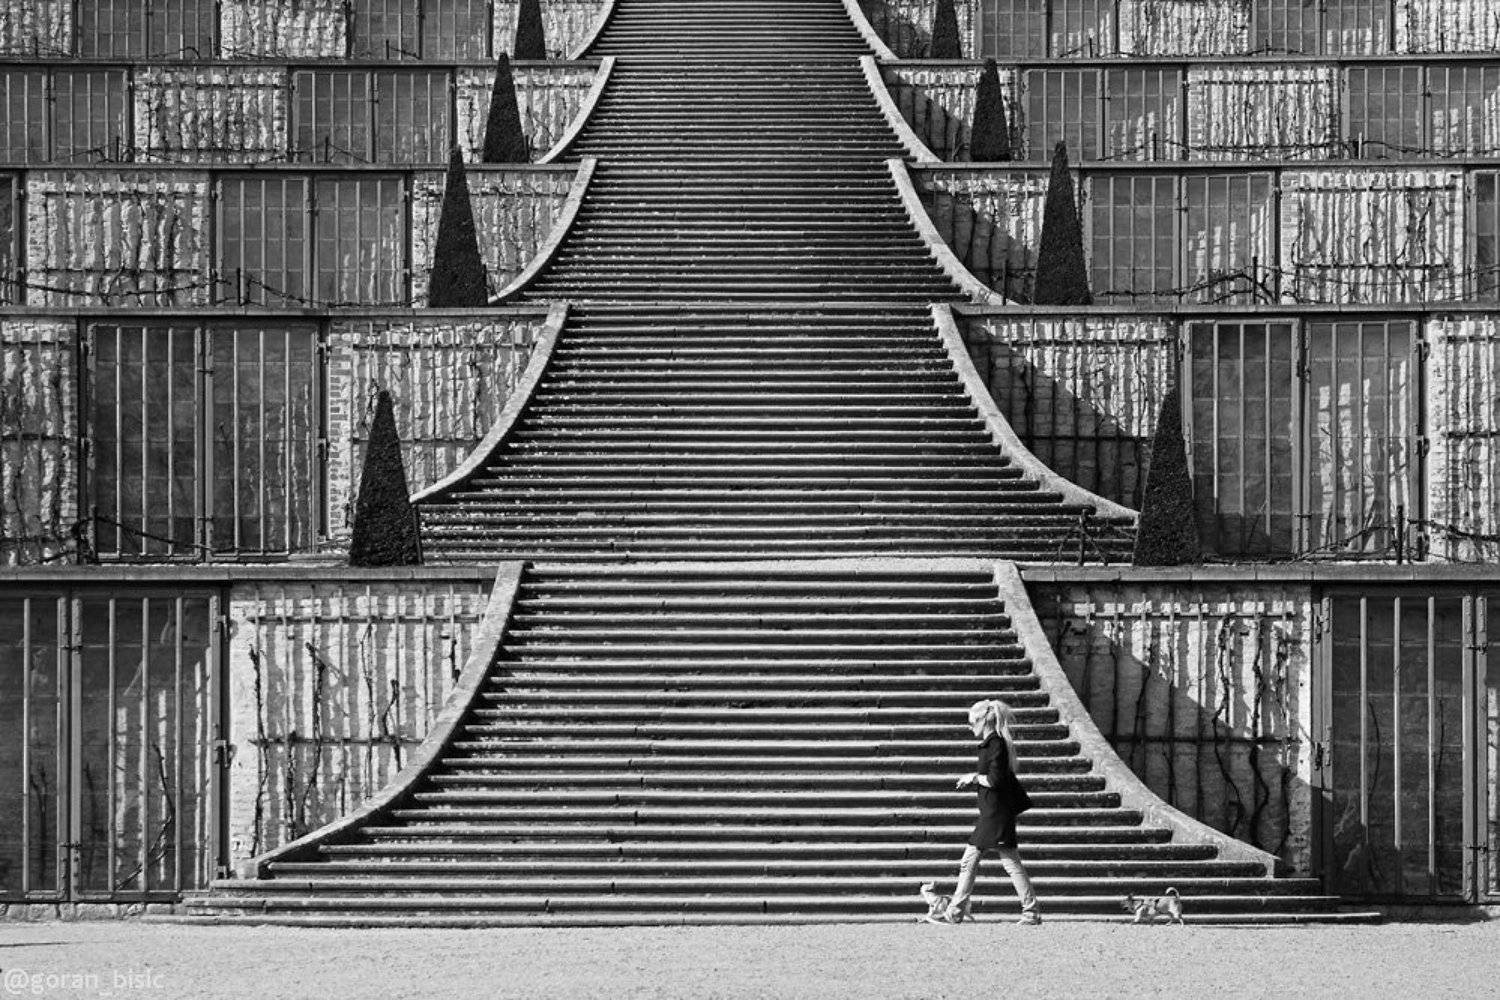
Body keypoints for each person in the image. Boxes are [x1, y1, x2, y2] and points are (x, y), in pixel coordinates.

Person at [925, 698, 1040, 925]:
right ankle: (1029, 911)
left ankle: (958, 911)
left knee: (979, 861)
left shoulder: (994, 744)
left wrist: (973, 777)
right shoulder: (993, 743)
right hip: (995, 812)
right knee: (996, 862)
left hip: (995, 814)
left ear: (981, 721)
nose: (970, 727)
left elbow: (995, 780)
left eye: (971, 723)